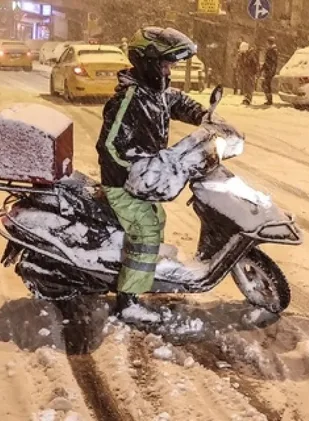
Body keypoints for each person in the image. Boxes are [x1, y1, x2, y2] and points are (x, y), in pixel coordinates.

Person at [95, 27, 210, 321]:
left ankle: (139, 268)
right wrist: (137, 169)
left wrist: (204, 116)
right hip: (123, 183)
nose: (169, 69)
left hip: (142, 182)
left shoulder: (154, 92)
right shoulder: (129, 99)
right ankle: (128, 301)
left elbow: (176, 101)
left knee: (157, 218)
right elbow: (110, 145)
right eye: (165, 64)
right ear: (147, 62)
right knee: (146, 227)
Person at [261, 36, 278, 106]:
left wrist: (270, 69)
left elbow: (272, 62)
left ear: (269, 43)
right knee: (266, 84)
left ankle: (269, 100)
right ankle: (269, 99)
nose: (266, 44)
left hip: (269, 70)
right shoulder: (272, 50)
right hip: (269, 70)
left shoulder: (272, 50)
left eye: (267, 42)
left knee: (266, 85)